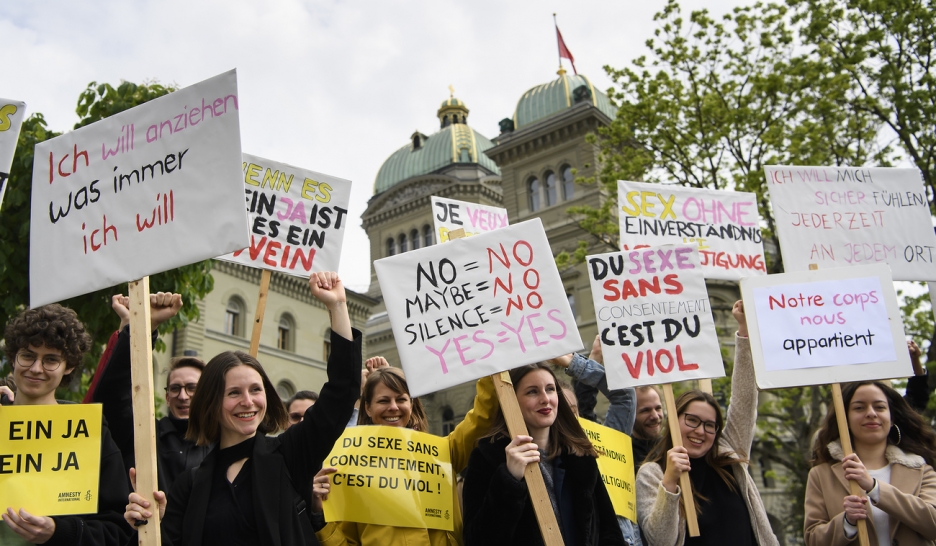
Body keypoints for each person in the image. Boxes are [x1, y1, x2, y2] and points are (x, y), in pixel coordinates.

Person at [124, 271, 361, 546]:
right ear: (211, 403)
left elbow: (343, 392)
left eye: (255, 390)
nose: (248, 402)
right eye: (234, 393)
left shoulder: (290, 455)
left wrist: (337, 306)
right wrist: (149, 526)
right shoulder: (189, 485)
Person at [635, 300, 779, 546]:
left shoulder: (729, 454)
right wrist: (669, 483)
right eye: (692, 420)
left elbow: (744, 398)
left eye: (709, 425)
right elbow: (659, 540)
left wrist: (744, 331)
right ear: (674, 419)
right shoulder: (652, 473)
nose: (700, 431)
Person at [311, 359, 496, 546]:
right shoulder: (347, 468)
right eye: (383, 400)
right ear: (367, 407)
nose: (393, 407)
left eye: (401, 399)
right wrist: (319, 517)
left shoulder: (441, 453)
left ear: (411, 403)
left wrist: (494, 367)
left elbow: (481, 418)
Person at [1, 304, 132, 546]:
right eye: (28, 355)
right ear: (13, 357)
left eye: (51, 360)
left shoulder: (89, 433)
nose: (36, 368)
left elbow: (119, 527)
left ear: (69, 366)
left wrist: (60, 531)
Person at [463, 363, 626, 546]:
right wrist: (509, 480)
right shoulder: (486, 459)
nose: (545, 399)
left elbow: (609, 532)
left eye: (550, 389)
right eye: (532, 392)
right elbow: (477, 540)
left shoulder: (580, 456)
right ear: (511, 401)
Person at [89, 292, 210, 492]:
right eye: (175, 388)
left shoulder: (224, 443)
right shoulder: (143, 435)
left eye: (192, 388)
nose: (182, 396)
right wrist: (143, 327)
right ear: (167, 397)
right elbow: (112, 396)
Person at [804, 379, 936, 546]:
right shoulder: (821, 475)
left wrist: (875, 488)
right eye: (859, 408)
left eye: (879, 407)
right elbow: (813, 539)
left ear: (892, 416)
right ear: (845, 419)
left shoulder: (921, 469)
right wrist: (847, 522)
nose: (871, 413)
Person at [550, 336, 643, 546]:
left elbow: (625, 396)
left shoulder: (603, 441)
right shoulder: (546, 460)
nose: (569, 418)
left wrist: (574, 363)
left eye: (573, 411)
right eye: (561, 412)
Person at [571, 335, 662, 465]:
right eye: (645, 410)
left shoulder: (671, 447)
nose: (655, 416)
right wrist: (594, 361)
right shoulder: (615, 447)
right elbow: (584, 412)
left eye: (658, 408)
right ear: (629, 413)